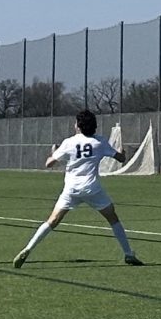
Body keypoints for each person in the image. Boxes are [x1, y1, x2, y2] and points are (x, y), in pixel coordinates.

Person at [13, 109, 143, 268]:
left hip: (71, 189)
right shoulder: (100, 142)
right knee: (113, 219)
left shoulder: (69, 142)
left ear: (79, 126)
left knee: (52, 220)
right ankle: (128, 254)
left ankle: (28, 248)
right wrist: (123, 153)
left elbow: (49, 163)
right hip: (92, 189)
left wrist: (53, 153)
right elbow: (121, 159)